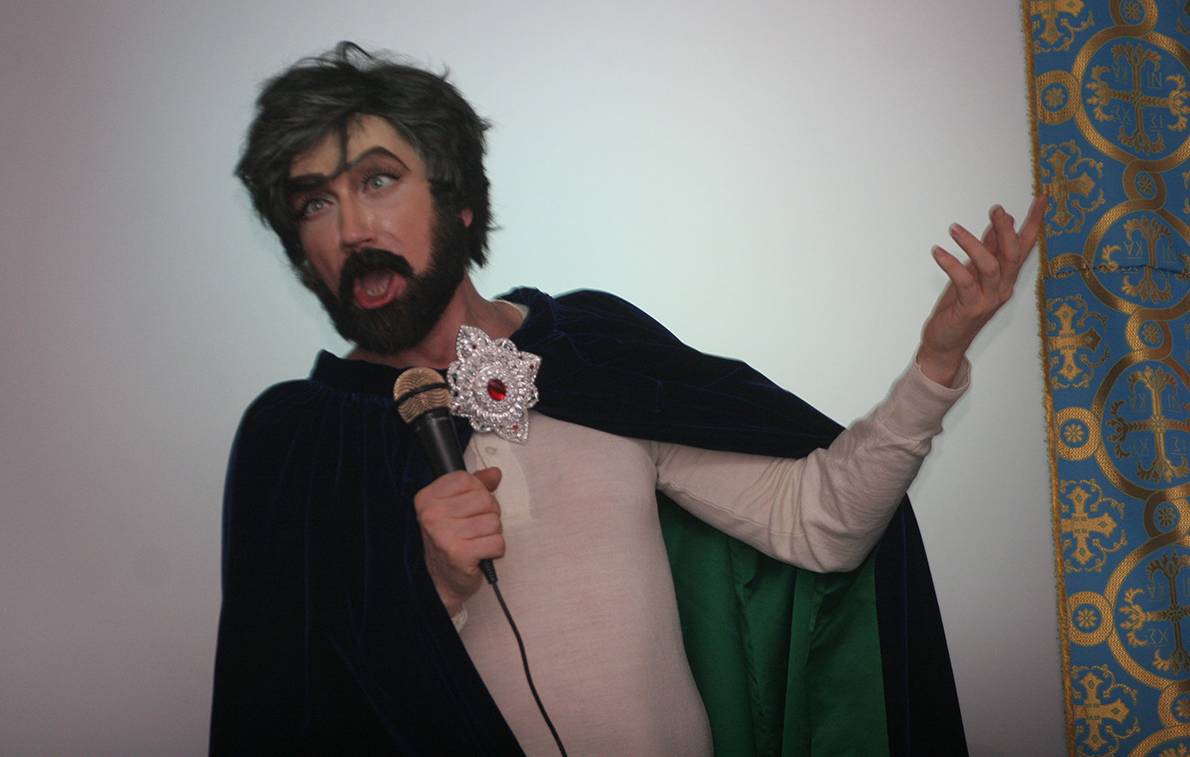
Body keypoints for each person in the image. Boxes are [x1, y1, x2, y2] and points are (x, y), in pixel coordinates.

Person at [210, 42, 1043, 756]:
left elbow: (819, 523)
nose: (351, 228)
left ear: (459, 201)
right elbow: (302, 714)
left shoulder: (591, 349)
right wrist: (432, 586)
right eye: (315, 203)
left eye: (379, 181)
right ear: (301, 250)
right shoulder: (297, 444)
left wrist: (938, 361)